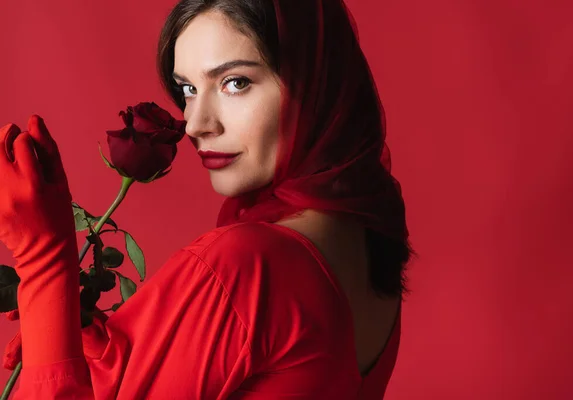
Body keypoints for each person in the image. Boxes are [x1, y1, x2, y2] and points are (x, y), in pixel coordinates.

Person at [0, 0, 413, 398]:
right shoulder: (365, 247)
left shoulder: (246, 266)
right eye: (188, 89)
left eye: (236, 83)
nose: (196, 124)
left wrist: (44, 259)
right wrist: (65, 332)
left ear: (316, 85)